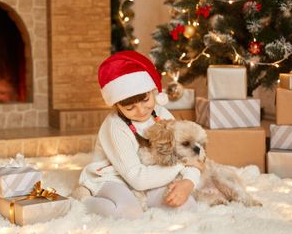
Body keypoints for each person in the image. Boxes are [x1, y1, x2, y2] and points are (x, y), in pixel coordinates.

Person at [78, 50, 201, 219]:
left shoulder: (161, 113)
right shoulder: (115, 127)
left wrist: (188, 182)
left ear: (153, 91)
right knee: (129, 213)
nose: (141, 110)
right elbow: (137, 179)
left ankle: (146, 200)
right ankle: (83, 200)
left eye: (145, 100)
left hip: (152, 174)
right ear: (117, 105)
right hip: (115, 177)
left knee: (186, 206)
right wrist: (182, 165)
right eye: (130, 108)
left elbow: (193, 154)